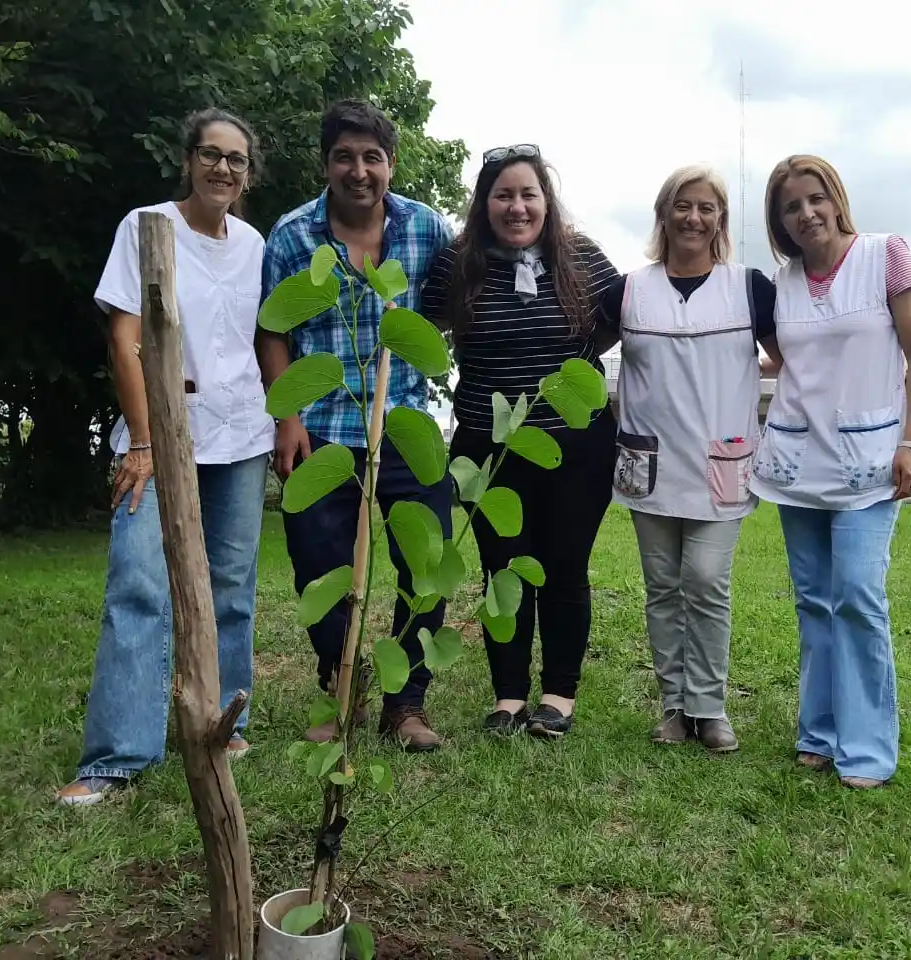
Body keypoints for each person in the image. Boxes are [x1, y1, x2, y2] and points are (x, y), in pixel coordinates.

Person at [59, 109, 274, 806]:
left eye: (236, 160)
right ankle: (118, 756)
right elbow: (126, 340)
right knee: (140, 586)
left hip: (238, 435)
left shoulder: (253, 244)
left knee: (231, 586)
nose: (223, 169)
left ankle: (222, 725)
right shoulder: (147, 226)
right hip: (160, 435)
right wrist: (145, 439)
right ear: (188, 160)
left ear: (249, 173)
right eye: (210, 155)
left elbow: (251, 341)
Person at [258, 100, 455, 753]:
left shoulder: (426, 229)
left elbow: (458, 304)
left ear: (391, 164)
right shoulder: (293, 236)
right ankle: (339, 685)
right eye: (345, 156)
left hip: (403, 422)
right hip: (320, 426)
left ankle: (407, 703)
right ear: (326, 164)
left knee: (427, 564)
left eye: (372, 157)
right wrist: (286, 416)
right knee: (321, 567)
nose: (359, 170)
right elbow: (272, 331)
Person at [422, 144, 619, 739]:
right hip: (487, 446)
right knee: (501, 567)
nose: (517, 206)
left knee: (564, 566)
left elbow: (621, 315)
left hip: (574, 445)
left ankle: (558, 695)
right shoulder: (457, 264)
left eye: (528, 194)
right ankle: (508, 696)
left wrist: (576, 369)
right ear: (484, 204)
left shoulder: (581, 258)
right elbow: (424, 327)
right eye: (503, 195)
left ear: (546, 201)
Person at [750, 154, 911, 789]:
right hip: (800, 463)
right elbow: (787, 364)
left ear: (836, 198)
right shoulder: (785, 281)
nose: (805, 214)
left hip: (869, 462)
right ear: (780, 222)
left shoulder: (888, 255)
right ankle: (819, 732)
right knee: (813, 601)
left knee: (857, 596)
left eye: (813, 198)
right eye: (790, 207)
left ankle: (866, 748)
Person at [600, 165, 780, 754]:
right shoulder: (630, 290)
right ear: (663, 214)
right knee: (661, 586)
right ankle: (673, 706)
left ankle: (710, 705)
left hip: (721, 464)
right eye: (683, 205)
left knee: (705, 581)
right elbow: (579, 351)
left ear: (721, 220)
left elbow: (791, 360)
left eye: (707, 208)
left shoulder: (748, 288)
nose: (694, 218)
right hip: (648, 463)